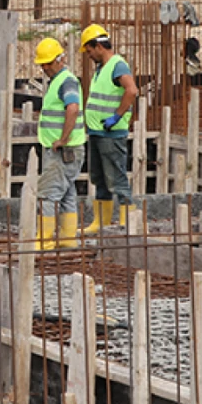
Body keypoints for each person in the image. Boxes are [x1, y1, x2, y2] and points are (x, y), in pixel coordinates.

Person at [80, 24, 139, 233]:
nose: (88, 55)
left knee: (117, 179)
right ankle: (100, 222)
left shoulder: (117, 65)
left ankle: (127, 223)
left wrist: (117, 116)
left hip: (111, 134)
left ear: (98, 46)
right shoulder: (101, 68)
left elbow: (131, 90)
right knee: (99, 179)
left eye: (89, 50)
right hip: (97, 132)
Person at [33, 37, 85, 250]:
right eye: (42, 64)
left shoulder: (67, 81)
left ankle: (44, 240)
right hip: (67, 149)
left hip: (64, 149)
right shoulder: (59, 81)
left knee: (48, 193)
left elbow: (72, 108)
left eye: (47, 63)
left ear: (59, 60)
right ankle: (67, 237)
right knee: (67, 192)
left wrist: (63, 139)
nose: (44, 68)